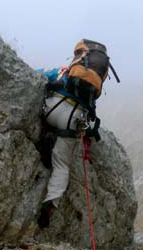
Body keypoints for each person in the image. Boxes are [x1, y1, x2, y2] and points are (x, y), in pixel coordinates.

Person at [36, 66, 100, 229]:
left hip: (52, 109)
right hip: (71, 119)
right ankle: (51, 202)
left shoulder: (65, 70)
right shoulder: (93, 86)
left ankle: (46, 138)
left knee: (45, 123)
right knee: (62, 165)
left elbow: (40, 73)